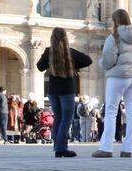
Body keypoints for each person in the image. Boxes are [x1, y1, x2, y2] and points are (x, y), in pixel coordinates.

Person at [94, 9, 132, 158]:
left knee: (111, 112)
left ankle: (106, 148)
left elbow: (109, 60)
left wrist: (101, 63)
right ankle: (128, 149)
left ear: (115, 21)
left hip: (118, 76)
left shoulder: (114, 38)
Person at [38, 27, 92, 157]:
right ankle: (61, 148)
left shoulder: (48, 52)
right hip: (67, 90)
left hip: (52, 90)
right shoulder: (70, 52)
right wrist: (73, 66)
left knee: (58, 119)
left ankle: (57, 147)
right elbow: (88, 60)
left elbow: (39, 66)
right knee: (66, 120)